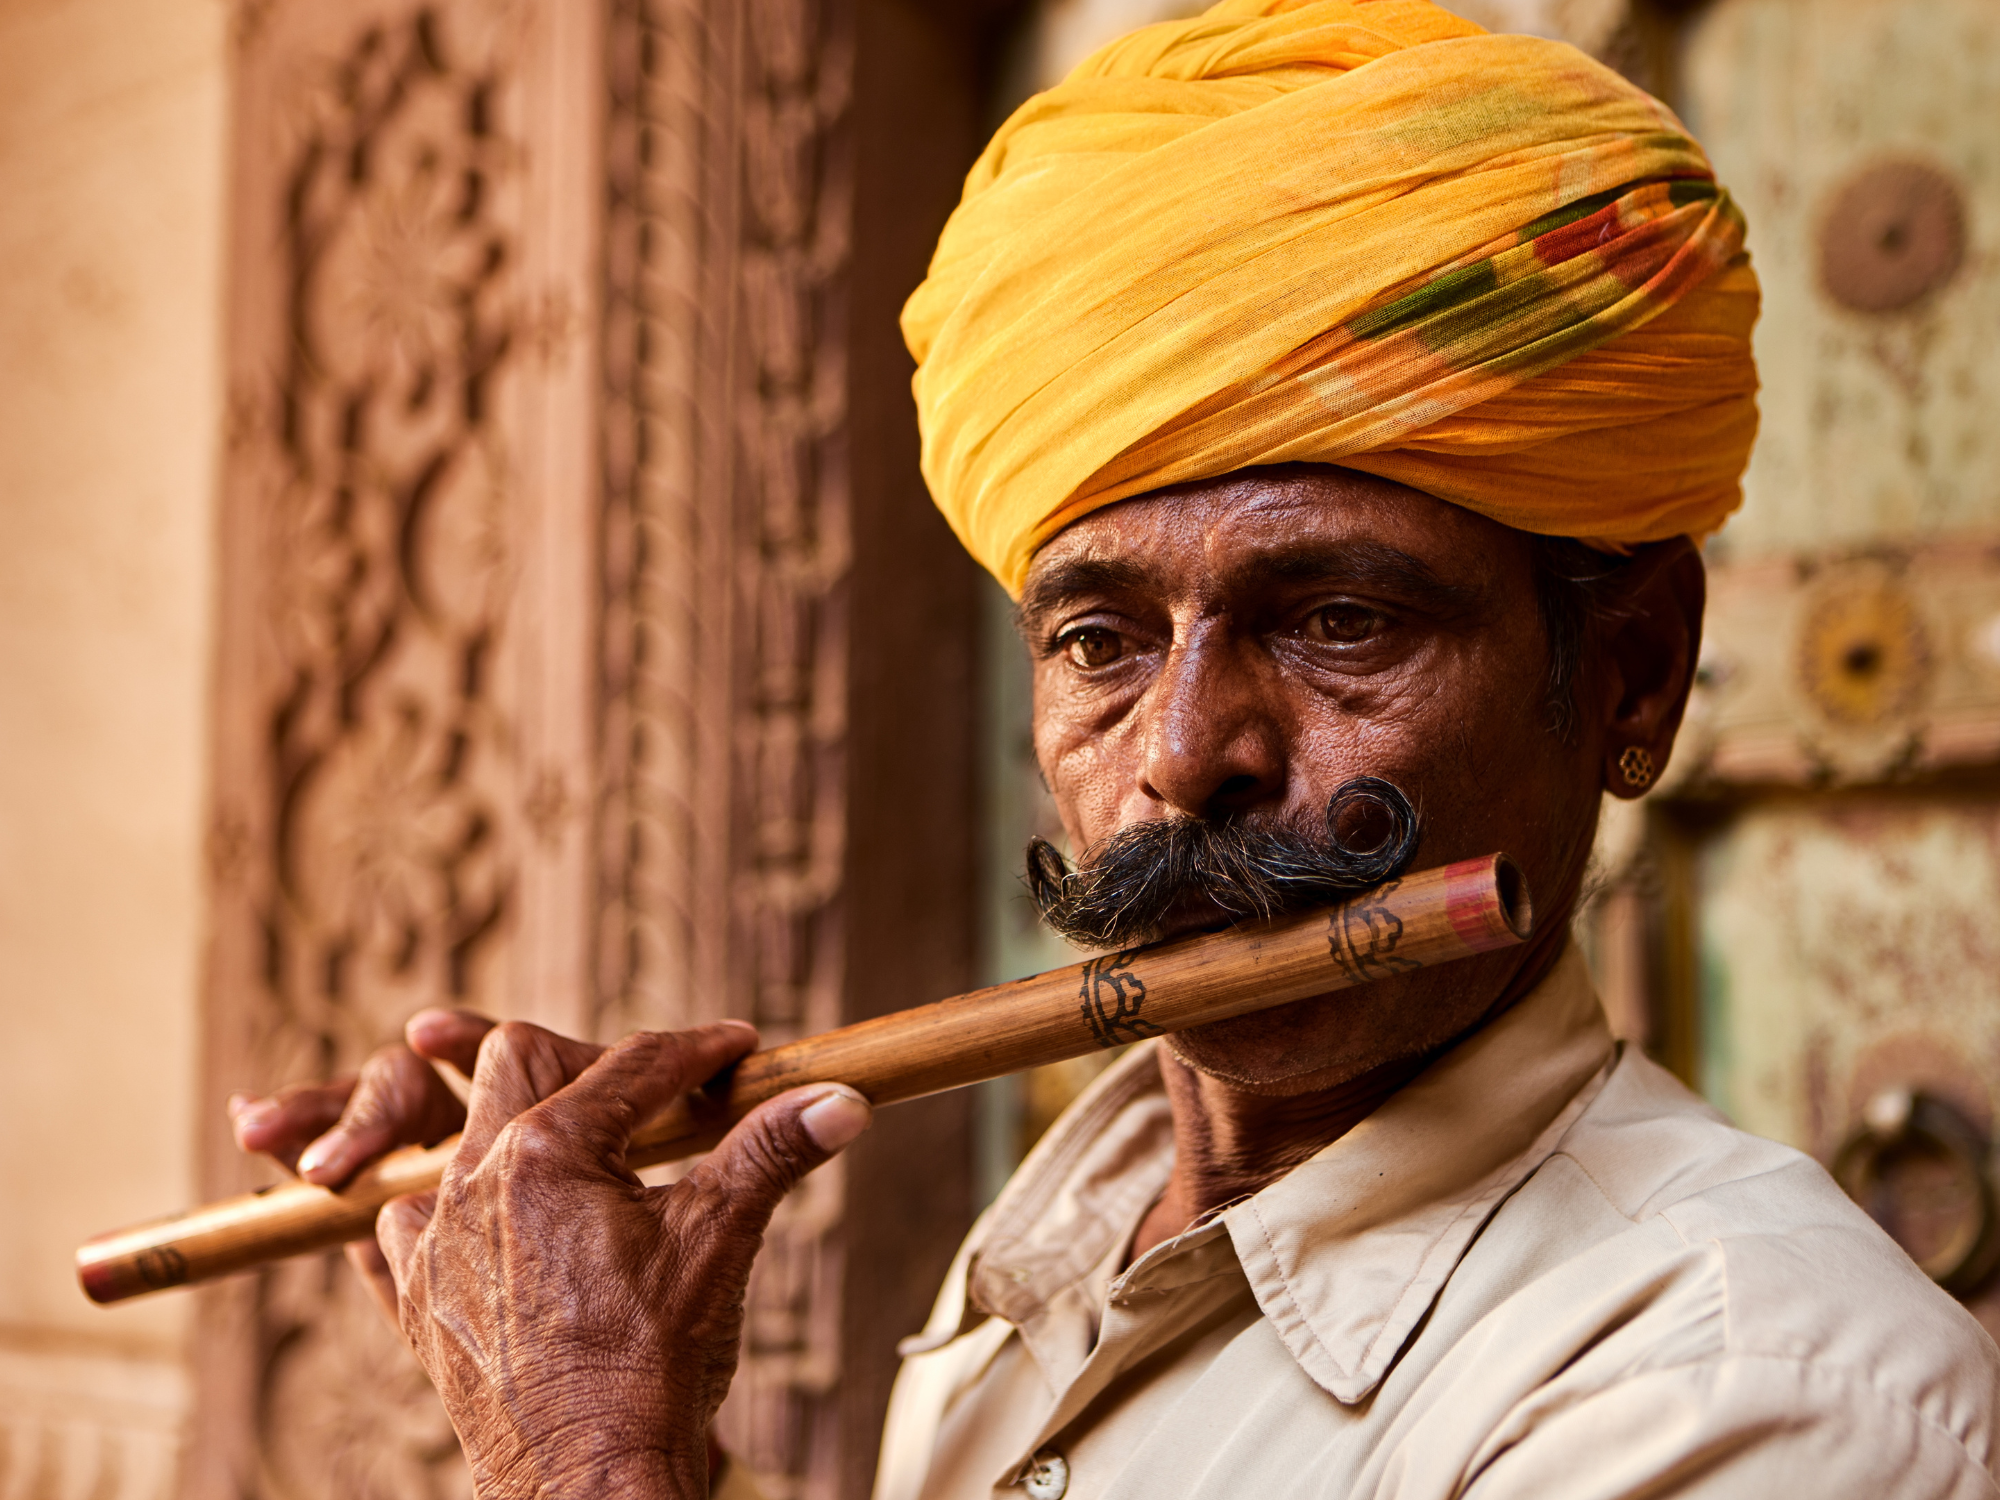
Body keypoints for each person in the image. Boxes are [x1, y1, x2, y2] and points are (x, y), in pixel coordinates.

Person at [228, 1, 2000, 1496]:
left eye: (1339, 625)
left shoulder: (1760, 1388)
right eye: (1099, 638)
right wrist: (649, 1425)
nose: (1183, 755)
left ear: (1634, 676)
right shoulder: (1080, 1219)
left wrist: (582, 1464)